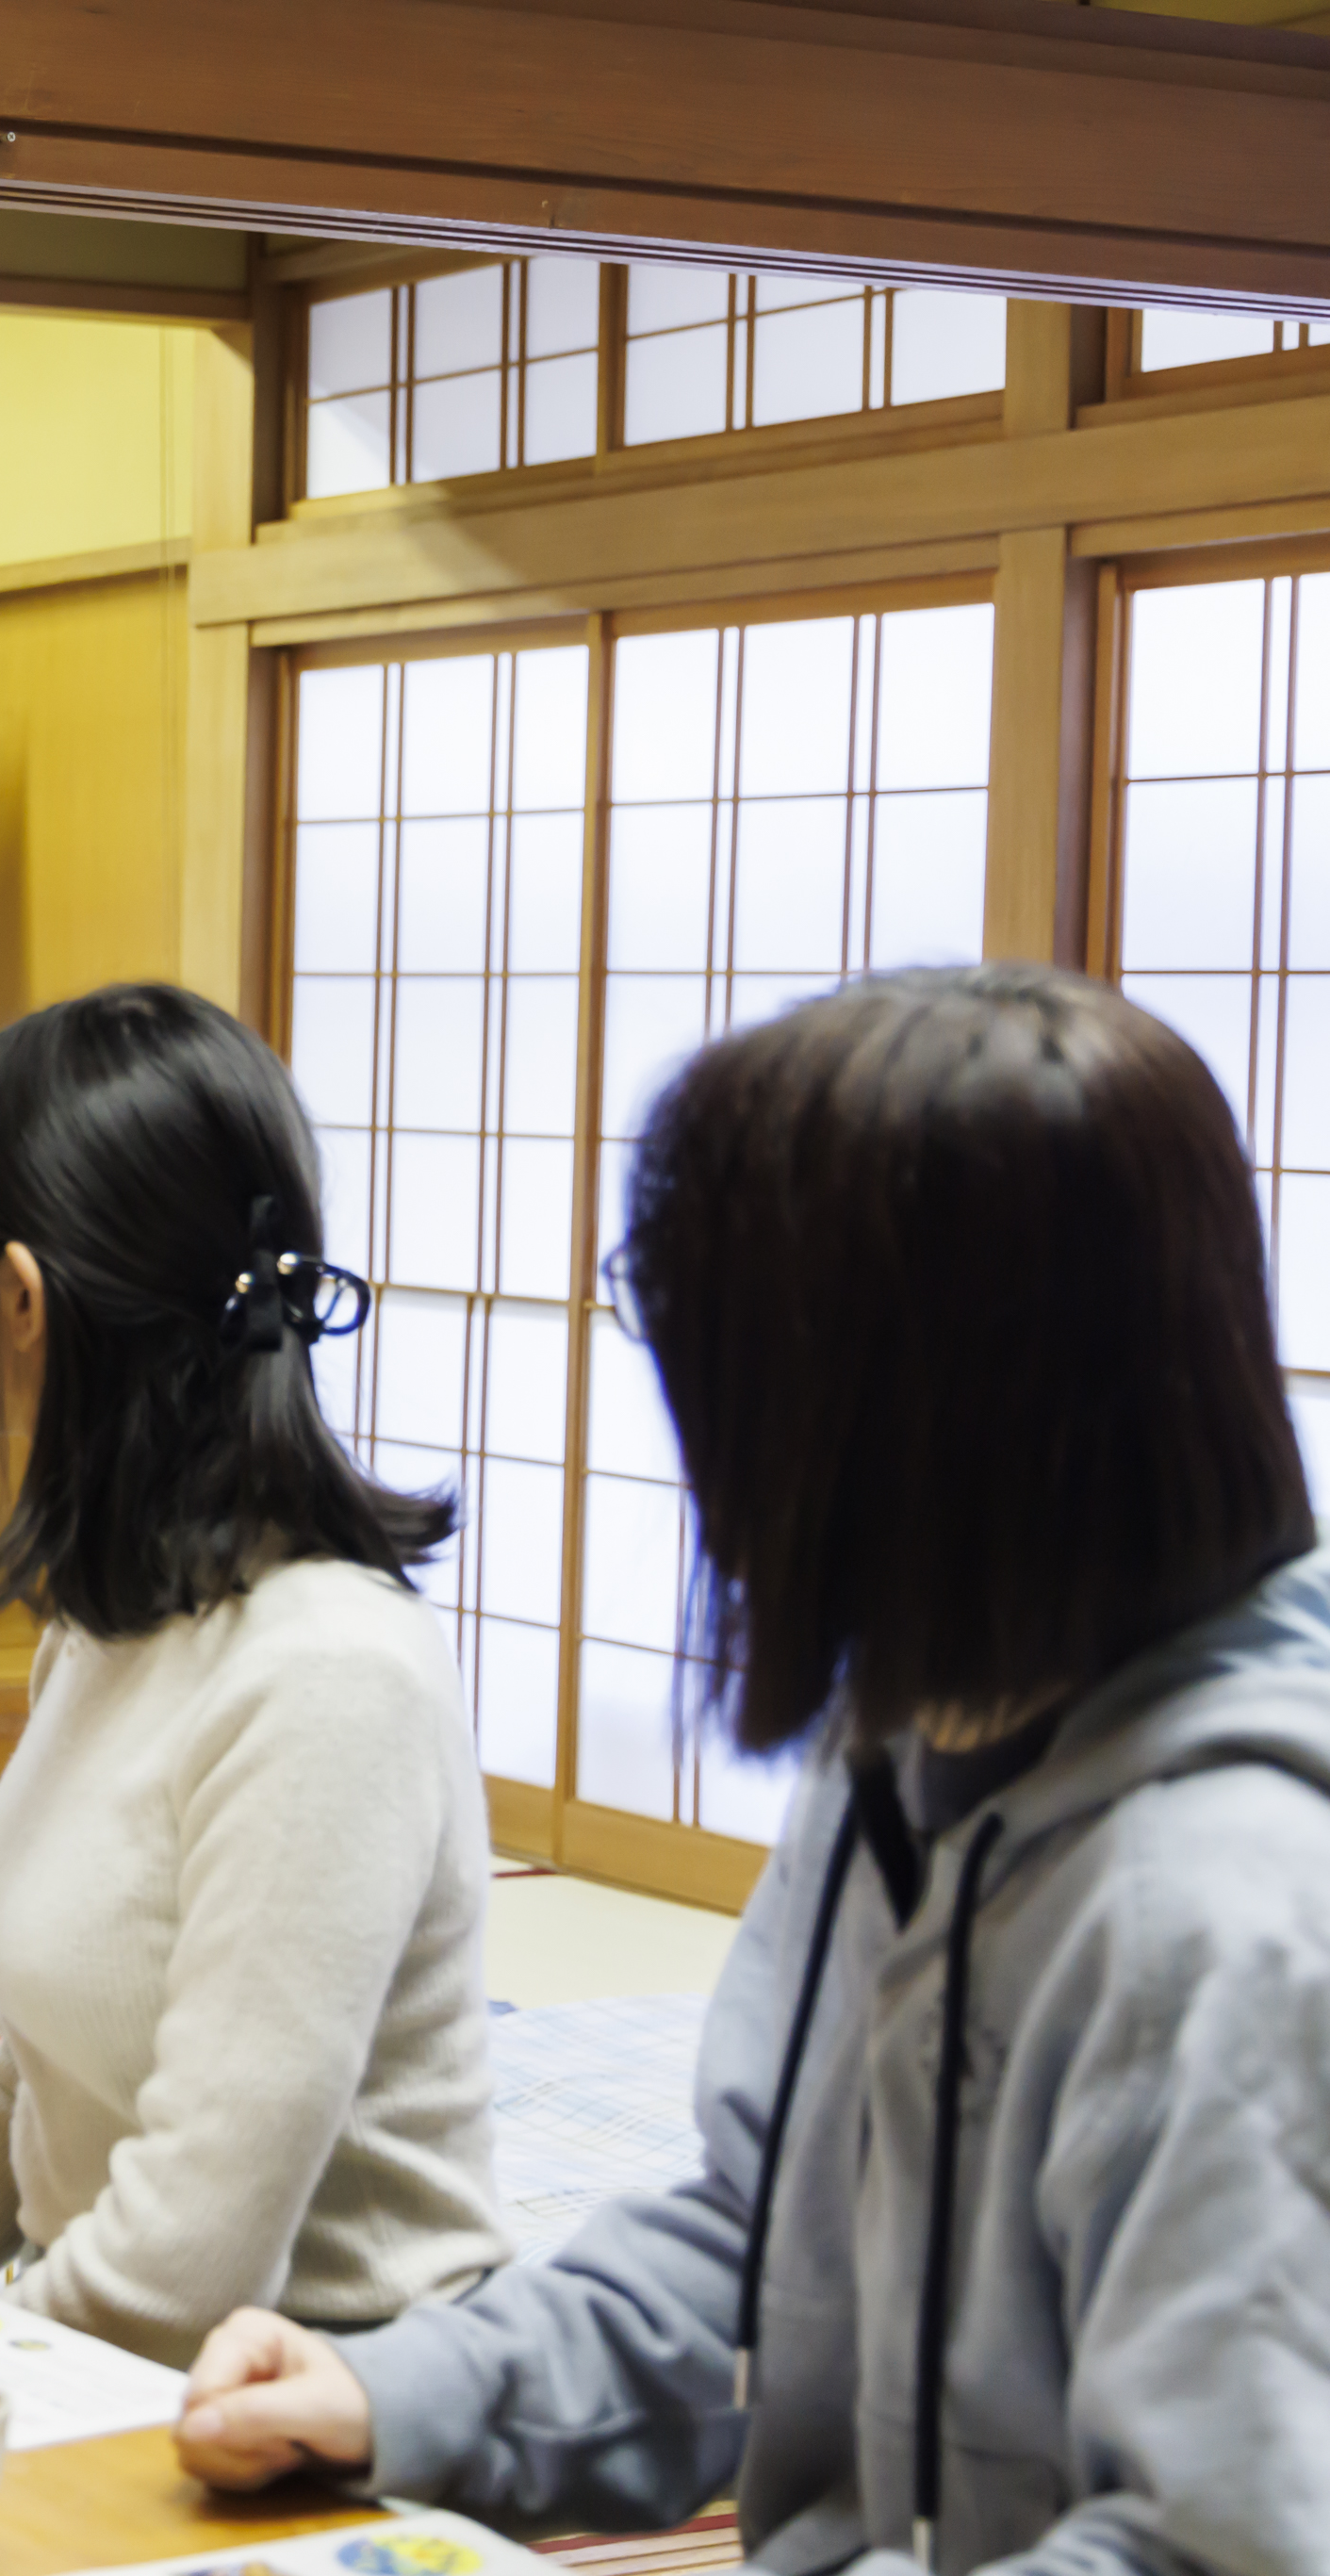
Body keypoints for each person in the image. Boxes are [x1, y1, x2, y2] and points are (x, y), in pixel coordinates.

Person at [177, 965, 1330, 2568]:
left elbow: (1218, 2544)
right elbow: (765, 2241)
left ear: (903, 1415)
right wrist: (399, 2390)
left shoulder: (1220, 1911)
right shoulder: (908, 1739)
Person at [0, 983, 508, 2367]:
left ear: (16, 1296)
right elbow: (40, 2091)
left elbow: (184, 2261)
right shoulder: (115, 1618)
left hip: (318, 2390)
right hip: (104, 2362)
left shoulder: (326, 1676)